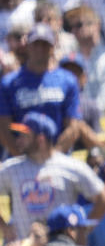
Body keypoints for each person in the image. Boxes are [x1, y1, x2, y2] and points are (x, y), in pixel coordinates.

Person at [0, 111, 105, 242]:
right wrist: (4, 227)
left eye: (24, 136)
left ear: (40, 139)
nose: (18, 140)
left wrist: (83, 231)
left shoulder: (70, 166)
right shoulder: (12, 168)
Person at [0, 24, 80, 155]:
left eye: (45, 44)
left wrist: (52, 157)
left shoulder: (68, 80)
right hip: (20, 160)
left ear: (53, 46)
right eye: (36, 44)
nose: (40, 49)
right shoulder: (9, 83)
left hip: (57, 159)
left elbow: (73, 127)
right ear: (27, 46)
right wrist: (24, 158)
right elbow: (3, 128)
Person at [66, 5, 105, 114]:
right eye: (72, 27)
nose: (74, 31)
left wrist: (87, 114)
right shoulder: (71, 58)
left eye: (79, 25)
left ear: (96, 25)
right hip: (77, 119)